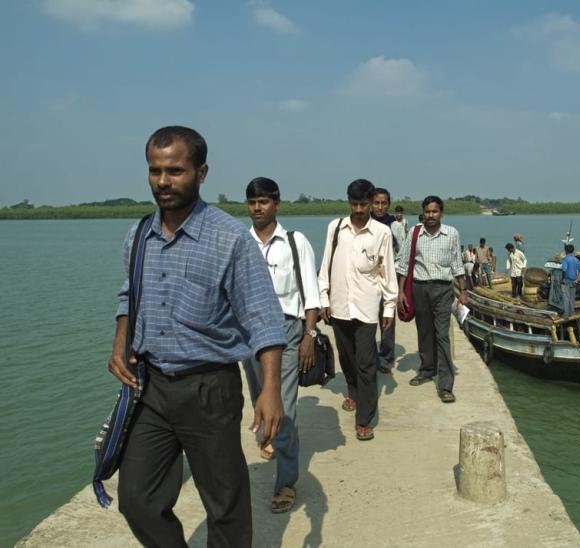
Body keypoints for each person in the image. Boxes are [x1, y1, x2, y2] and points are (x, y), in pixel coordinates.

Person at [109, 126, 286, 547]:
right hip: (150, 387)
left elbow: (263, 316)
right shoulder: (138, 236)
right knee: (136, 499)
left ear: (201, 173)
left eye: (175, 170)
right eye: (155, 171)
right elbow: (128, 294)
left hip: (209, 387)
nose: (163, 181)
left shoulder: (229, 239)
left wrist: (271, 389)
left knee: (224, 504)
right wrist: (121, 340)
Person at [242, 177, 320, 514]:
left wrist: (309, 335)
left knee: (284, 406)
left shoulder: (294, 241)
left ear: (276, 204)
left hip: (286, 329)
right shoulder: (239, 243)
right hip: (247, 331)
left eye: (264, 201)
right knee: (258, 395)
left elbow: (311, 291)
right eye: (252, 202)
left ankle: (286, 482)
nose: (257, 208)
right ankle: (268, 437)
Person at [318, 179, 398, 441]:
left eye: (364, 204)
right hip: (339, 305)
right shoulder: (336, 228)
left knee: (366, 362)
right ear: (349, 202)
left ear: (371, 202)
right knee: (347, 357)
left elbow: (386, 273)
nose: (360, 209)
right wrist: (323, 299)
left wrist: (389, 307)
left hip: (366, 306)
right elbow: (326, 263)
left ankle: (364, 418)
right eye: (355, 204)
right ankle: (352, 391)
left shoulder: (382, 233)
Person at [397, 196, 469, 403]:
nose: (431, 215)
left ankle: (446, 385)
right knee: (424, 331)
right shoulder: (414, 233)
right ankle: (427, 370)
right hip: (419, 288)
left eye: (434, 211)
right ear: (423, 212)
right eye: (427, 212)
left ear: (441, 213)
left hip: (443, 289)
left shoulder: (451, 234)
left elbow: (457, 264)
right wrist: (401, 291)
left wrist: (463, 290)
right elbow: (403, 264)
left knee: (442, 335)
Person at [371, 187, 404, 373]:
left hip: (387, 280)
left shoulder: (395, 226)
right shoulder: (364, 222)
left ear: (389, 205)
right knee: (366, 321)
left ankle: (386, 358)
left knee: (387, 320)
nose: (380, 207)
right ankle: (369, 356)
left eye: (384, 203)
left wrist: (396, 278)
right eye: (376, 203)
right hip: (367, 281)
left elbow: (402, 253)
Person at [561, 244, 580, 319]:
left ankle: (566, 315)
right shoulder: (576, 259)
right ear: (573, 251)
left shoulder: (565, 259)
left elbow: (564, 270)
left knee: (566, 297)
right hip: (574, 281)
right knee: (572, 298)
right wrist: (577, 279)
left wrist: (563, 280)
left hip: (567, 280)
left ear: (566, 251)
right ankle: (572, 313)